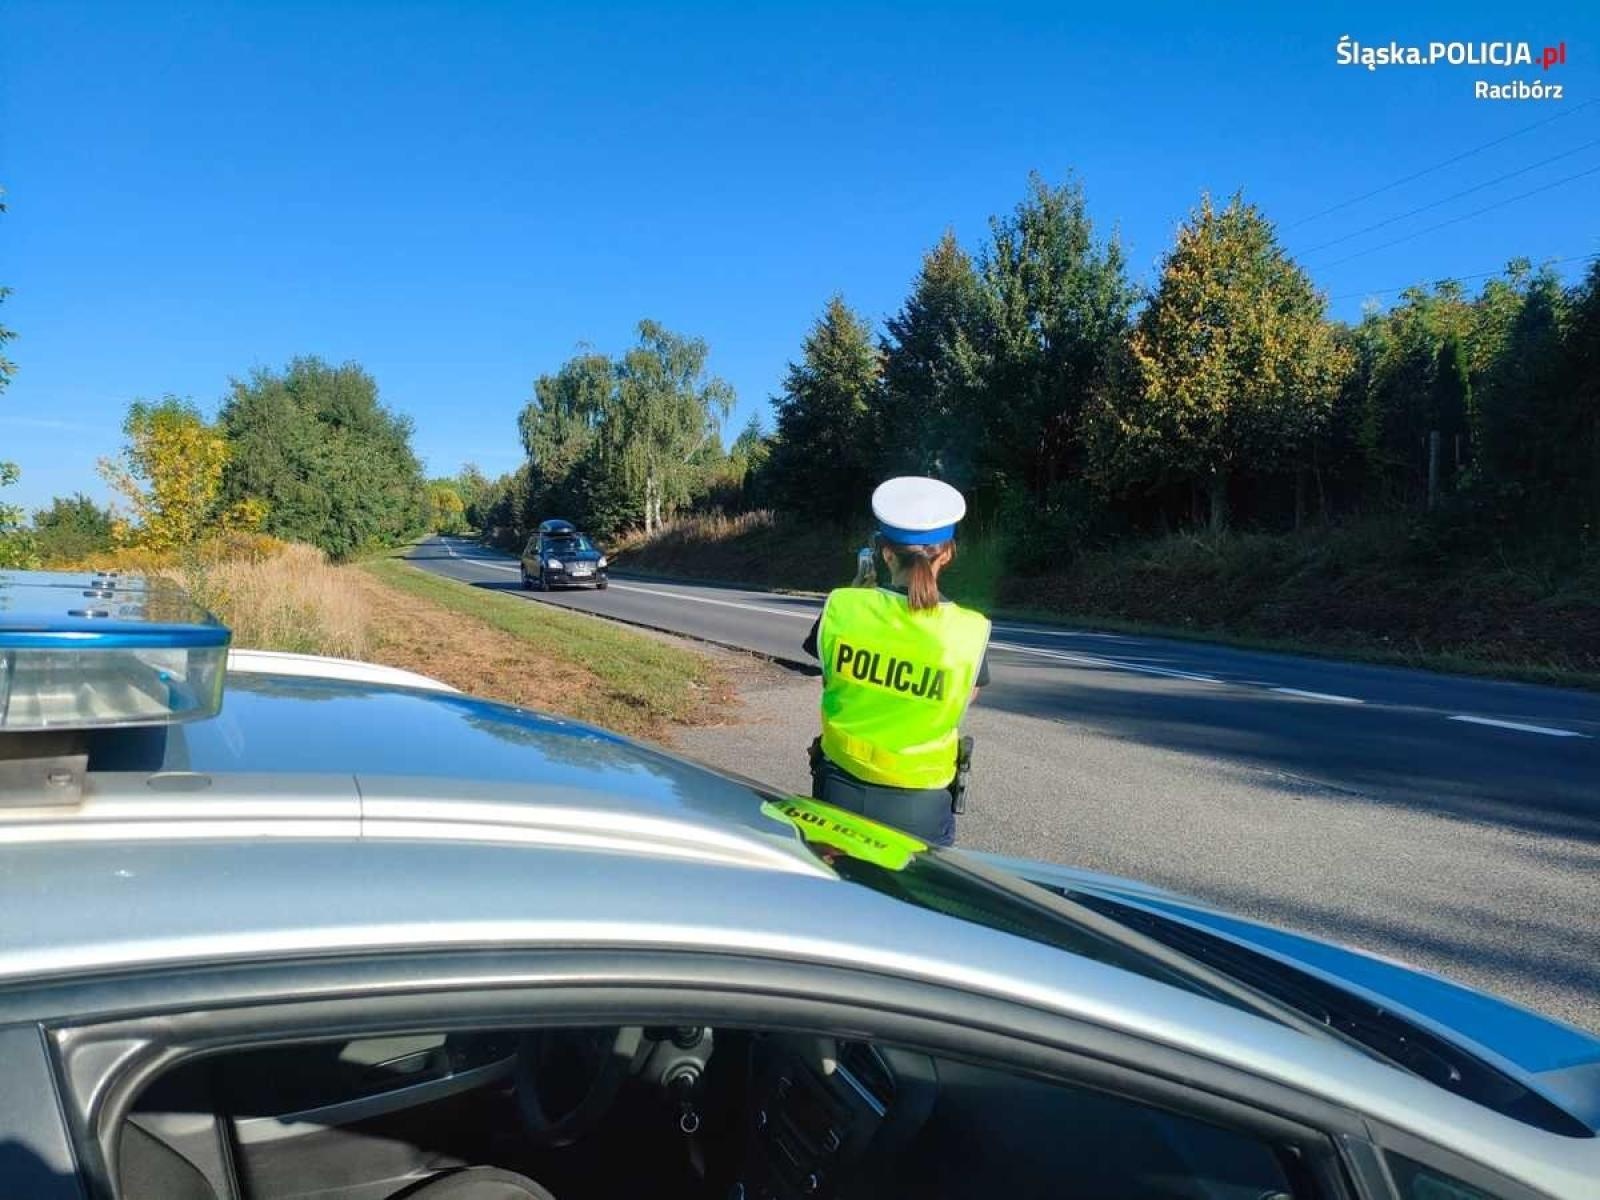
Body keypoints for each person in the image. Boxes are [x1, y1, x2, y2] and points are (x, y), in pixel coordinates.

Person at [802, 476, 991, 846]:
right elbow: (964, 699)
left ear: (884, 553)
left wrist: (860, 596)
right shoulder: (970, 630)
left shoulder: (843, 605)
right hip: (921, 804)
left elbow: (831, 674)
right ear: (948, 553)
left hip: (838, 788)